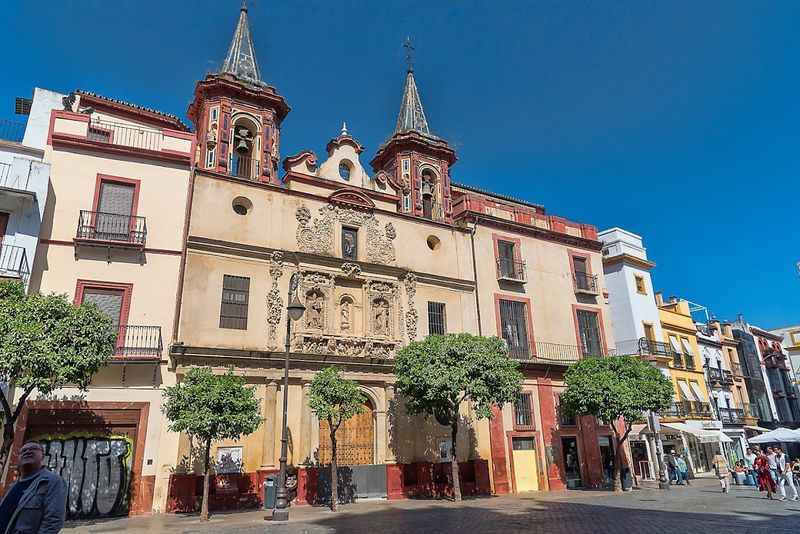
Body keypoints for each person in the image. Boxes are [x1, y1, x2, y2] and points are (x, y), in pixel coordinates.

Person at [0, 441, 66, 533]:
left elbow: (53, 522)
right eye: (23, 451)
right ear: (18, 458)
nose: (28, 451)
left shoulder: (52, 481)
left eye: (33, 449)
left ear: (42, 456)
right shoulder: (14, 485)